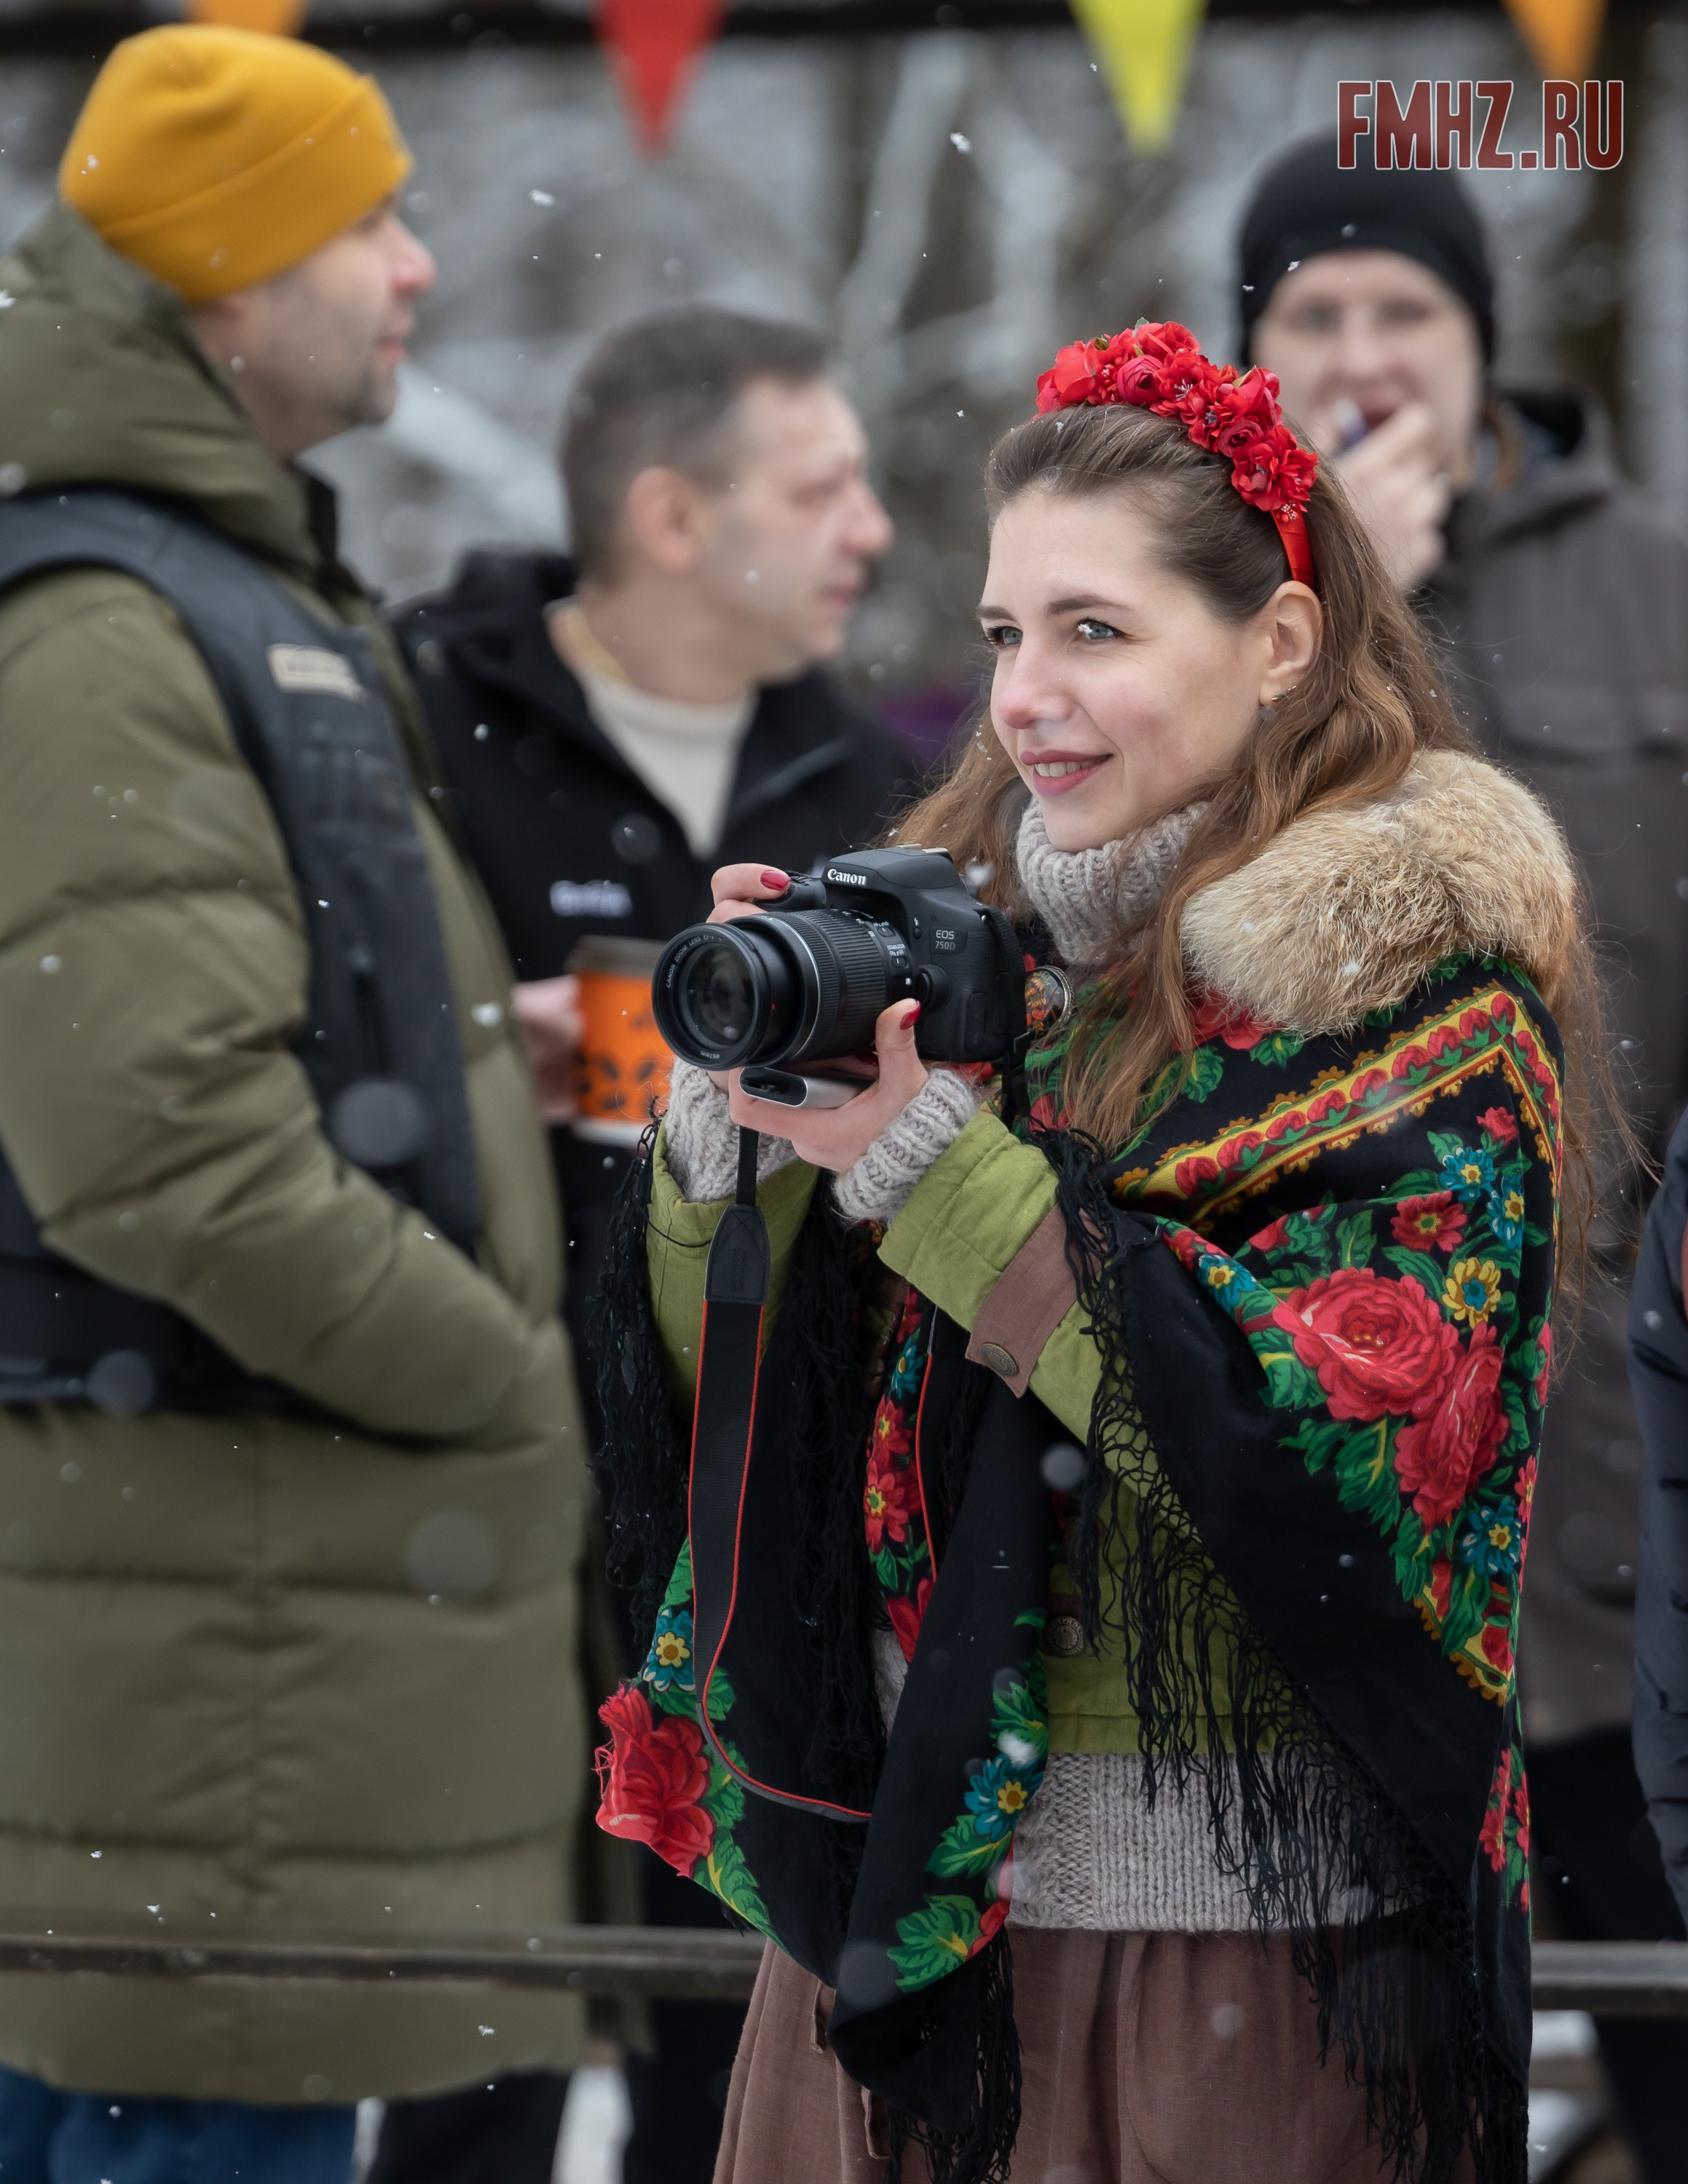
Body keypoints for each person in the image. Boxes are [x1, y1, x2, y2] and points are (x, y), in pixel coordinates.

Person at [588, 320, 1596, 2181]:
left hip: (1240, 1957)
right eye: (1001, 636)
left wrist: (935, 1177)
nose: (1024, 700)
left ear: (1279, 644)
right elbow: (733, 1410)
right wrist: (738, 1145)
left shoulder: (1422, 1011)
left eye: (1095, 633)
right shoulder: (965, 955)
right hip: (907, 1914)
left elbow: (1333, 1442)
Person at [0, 28, 594, 2181]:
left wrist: (459, 1063)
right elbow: (152, 1145)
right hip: (213, 1709)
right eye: (373, 222)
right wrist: (490, 1381)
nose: (420, 269)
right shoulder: (110, 619)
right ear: (233, 283)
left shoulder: (204, 581)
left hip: (220, 1693)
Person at [390, 305, 910, 2184]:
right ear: (676, 518)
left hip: (744, 1491)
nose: (868, 523)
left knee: (739, 2033)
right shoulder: (413, 718)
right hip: (463, 1484)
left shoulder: (862, 781)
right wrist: (462, 1051)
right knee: (478, 2044)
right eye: (821, 482)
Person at [1242, 135, 1688, 2180]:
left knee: (1654, 1996)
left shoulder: (1650, 580)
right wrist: (1340, 610)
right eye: (1309, 315)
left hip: (1613, 1432)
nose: (1359, 356)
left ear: (1478, 342)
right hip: (1303, 1429)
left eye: (1398, 312)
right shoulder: (1199, 601)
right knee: (1358, 2080)